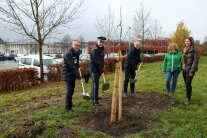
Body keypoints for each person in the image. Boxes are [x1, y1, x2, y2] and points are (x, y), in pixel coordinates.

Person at [61, 40, 83, 112]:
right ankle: (68, 107)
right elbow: (72, 67)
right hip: (67, 74)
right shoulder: (68, 54)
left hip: (72, 74)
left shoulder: (76, 52)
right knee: (69, 90)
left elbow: (76, 63)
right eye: (76, 45)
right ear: (72, 45)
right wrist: (79, 78)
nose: (77, 47)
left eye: (78, 45)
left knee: (72, 90)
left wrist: (78, 65)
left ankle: (70, 104)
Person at [182, 36, 200, 105]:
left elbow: (195, 61)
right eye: (185, 41)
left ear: (191, 42)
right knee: (187, 84)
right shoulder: (184, 49)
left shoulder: (195, 49)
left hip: (190, 69)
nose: (186, 42)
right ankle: (188, 95)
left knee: (188, 83)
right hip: (184, 68)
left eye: (188, 41)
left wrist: (192, 71)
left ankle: (188, 98)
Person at [89, 36, 106, 106]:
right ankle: (95, 101)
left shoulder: (101, 49)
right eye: (100, 41)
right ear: (97, 41)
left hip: (98, 69)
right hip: (94, 70)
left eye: (102, 42)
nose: (101, 43)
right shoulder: (95, 50)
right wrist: (101, 71)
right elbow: (97, 62)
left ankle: (94, 97)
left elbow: (101, 60)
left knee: (95, 84)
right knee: (96, 85)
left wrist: (103, 67)